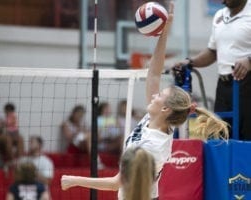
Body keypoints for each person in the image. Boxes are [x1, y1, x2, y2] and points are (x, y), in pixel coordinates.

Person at [61, 3, 229, 199]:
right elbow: (154, 74)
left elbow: (117, 183)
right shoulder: (158, 119)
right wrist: (165, 32)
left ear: (165, 108)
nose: (154, 95)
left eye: (159, 96)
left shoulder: (152, 146)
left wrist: (73, 180)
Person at [173, 0, 251, 140]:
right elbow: (212, 51)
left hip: (247, 84)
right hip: (224, 86)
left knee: (246, 138)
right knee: (219, 135)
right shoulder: (219, 15)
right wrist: (190, 62)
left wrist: (249, 60)